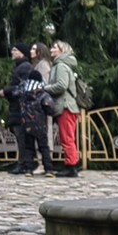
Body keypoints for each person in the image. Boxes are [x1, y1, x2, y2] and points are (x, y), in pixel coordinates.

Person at [1, 64, 54, 177]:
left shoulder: (23, 91)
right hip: (41, 125)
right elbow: (49, 106)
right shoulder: (42, 93)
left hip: (26, 123)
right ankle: (48, 169)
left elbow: (14, 93)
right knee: (44, 147)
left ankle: (29, 169)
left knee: (29, 147)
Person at [49, 39, 81, 178]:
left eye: (54, 47)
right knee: (68, 137)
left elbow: (61, 85)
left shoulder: (61, 66)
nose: (51, 49)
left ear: (62, 51)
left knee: (67, 138)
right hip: (67, 106)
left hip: (65, 106)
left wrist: (45, 88)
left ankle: (71, 166)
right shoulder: (62, 65)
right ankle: (72, 163)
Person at [1, 43, 34, 175]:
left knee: (22, 136)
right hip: (18, 106)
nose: (12, 52)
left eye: (15, 50)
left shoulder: (25, 67)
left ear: (22, 52)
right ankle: (23, 162)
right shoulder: (20, 66)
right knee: (20, 136)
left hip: (21, 107)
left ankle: (23, 164)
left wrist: (6, 91)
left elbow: (23, 87)